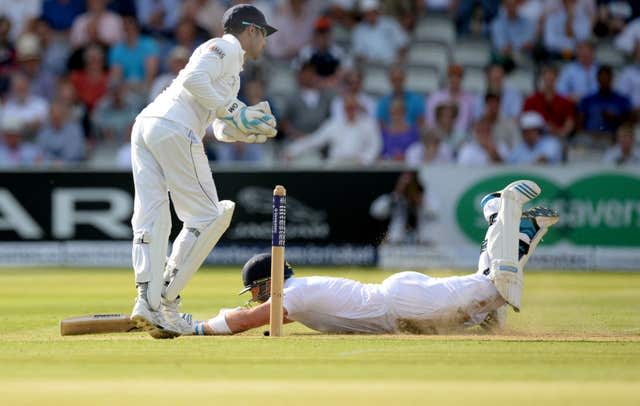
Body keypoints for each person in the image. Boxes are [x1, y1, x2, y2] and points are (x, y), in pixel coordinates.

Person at [185, 180, 559, 335]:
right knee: (487, 299)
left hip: (403, 304)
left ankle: (499, 213)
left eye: (256, 290)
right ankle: (519, 231)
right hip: (402, 306)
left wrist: (196, 327)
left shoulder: (292, 295)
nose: (255, 298)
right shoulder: (297, 298)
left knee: (497, 288)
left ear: (269, 283)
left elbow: (247, 320)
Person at [129, 4, 279, 339]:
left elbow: (218, 123)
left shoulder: (232, 72)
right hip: (173, 127)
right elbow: (195, 79)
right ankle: (166, 300)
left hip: (149, 126)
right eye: (264, 34)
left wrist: (243, 129)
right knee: (210, 216)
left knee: (152, 216)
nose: (266, 42)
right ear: (251, 31)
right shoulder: (225, 46)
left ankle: (146, 299)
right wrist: (234, 110)